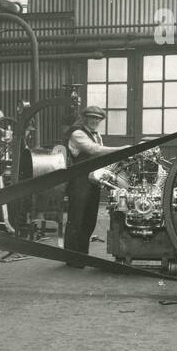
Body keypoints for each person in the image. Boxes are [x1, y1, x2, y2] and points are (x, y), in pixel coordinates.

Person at [62, 105, 126, 266]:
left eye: (98, 119)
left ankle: (83, 256)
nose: (95, 121)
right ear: (85, 118)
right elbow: (94, 151)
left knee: (89, 220)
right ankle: (71, 258)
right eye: (92, 118)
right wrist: (122, 149)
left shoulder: (96, 135)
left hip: (93, 181)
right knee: (76, 219)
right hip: (79, 181)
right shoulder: (77, 133)